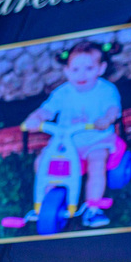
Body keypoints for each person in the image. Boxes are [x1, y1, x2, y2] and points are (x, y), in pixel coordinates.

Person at [21, 40, 122, 228]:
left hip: (96, 139)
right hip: (66, 142)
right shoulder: (63, 92)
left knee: (97, 162)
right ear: (66, 71)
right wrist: (35, 118)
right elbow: (47, 110)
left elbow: (112, 109)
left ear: (101, 68)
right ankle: (44, 204)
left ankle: (93, 207)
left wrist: (107, 120)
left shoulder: (106, 90)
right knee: (43, 162)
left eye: (89, 68)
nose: (81, 75)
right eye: (75, 70)